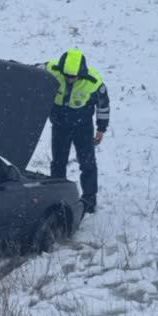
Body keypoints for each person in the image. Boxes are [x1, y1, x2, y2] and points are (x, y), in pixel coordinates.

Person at [44, 49, 109, 213]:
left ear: (82, 72)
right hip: (59, 126)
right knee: (58, 163)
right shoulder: (52, 70)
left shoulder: (94, 82)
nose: (69, 79)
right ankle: (56, 197)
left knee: (87, 164)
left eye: (73, 76)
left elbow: (103, 107)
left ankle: (89, 200)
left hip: (83, 127)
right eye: (66, 75)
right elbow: (30, 73)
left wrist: (101, 129)